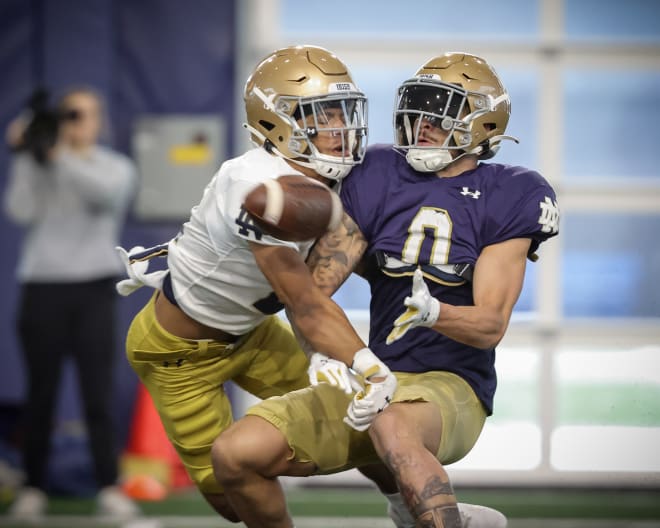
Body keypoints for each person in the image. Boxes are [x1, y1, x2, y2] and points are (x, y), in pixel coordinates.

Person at [210, 52, 560, 528]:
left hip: (452, 385)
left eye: (441, 115)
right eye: (417, 112)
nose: (423, 126)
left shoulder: (512, 190)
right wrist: (323, 352)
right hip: (378, 379)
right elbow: (313, 291)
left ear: (483, 123)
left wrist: (436, 313)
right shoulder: (378, 172)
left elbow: (489, 326)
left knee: (393, 423)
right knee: (235, 454)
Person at [115, 45, 404, 522]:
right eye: (321, 116)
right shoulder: (256, 186)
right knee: (232, 494)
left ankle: (407, 507)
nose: (340, 130)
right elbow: (304, 302)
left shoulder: (326, 174)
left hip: (253, 330)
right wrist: (367, 363)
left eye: (343, 113)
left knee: (364, 415)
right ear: (275, 124)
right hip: (177, 353)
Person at [3, 87, 139, 518]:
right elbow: (20, 211)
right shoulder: (38, 162)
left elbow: (105, 197)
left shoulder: (115, 167)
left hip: (93, 289)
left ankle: (109, 486)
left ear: (99, 121)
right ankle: (33, 487)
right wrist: (26, 155)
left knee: (96, 393)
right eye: (69, 115)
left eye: (84, 115)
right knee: (40, 394)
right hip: (42, 288)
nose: (77, 123)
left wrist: (57, 154)